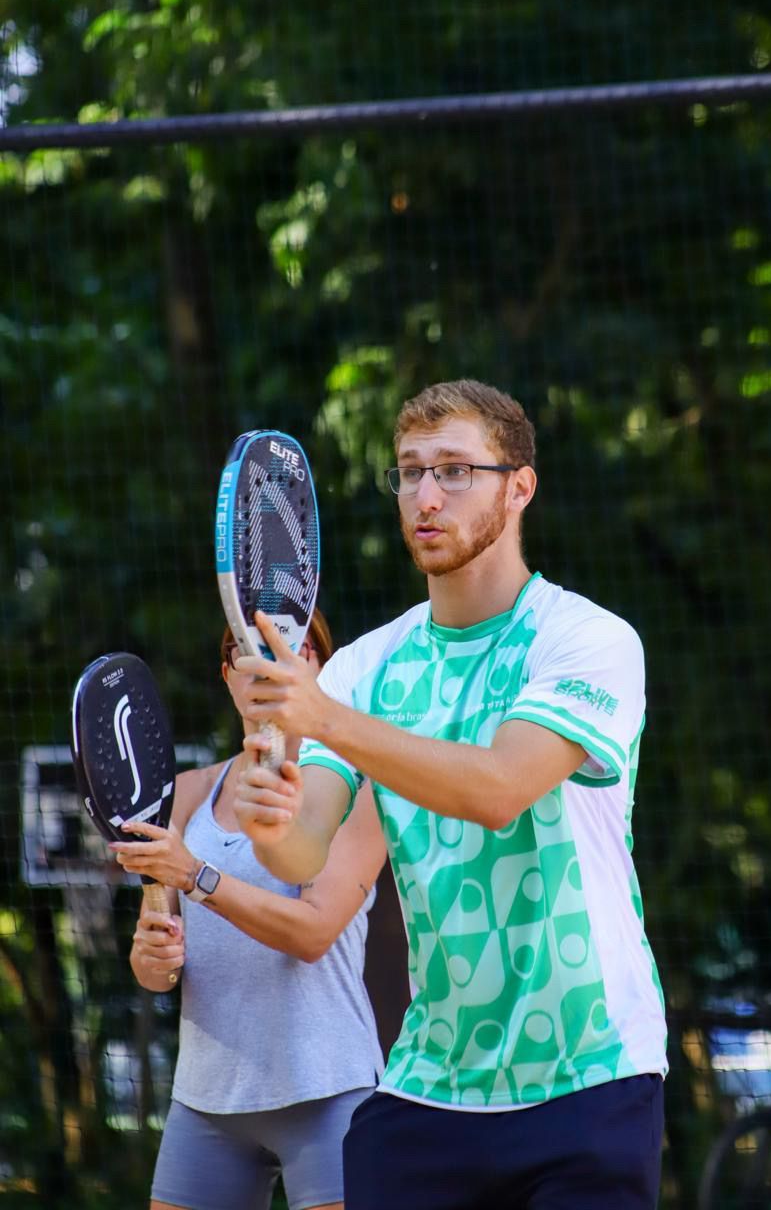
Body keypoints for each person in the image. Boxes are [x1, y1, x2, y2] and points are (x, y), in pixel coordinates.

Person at [233, 380, 668, 1210]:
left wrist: (322, 713)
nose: (426, 497)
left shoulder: (587, 640)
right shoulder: (366, 666)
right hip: (430, 1087)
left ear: (519, 487)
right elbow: (302, 847)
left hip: (591, 1073)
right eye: (409, 472)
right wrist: (269, 815)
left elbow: (499, 788)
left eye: (455, 471)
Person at [111, 609, 386, 1210]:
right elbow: (157, 968)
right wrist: (151, 957)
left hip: (328, 1085)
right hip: (208, 1100)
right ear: (228, 675)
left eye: (288, 645)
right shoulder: (183, 794)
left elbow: (313, 933)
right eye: (244, 648)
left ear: (317, 667)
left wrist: (197, 875)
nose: (263, 659)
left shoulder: (361, 789)